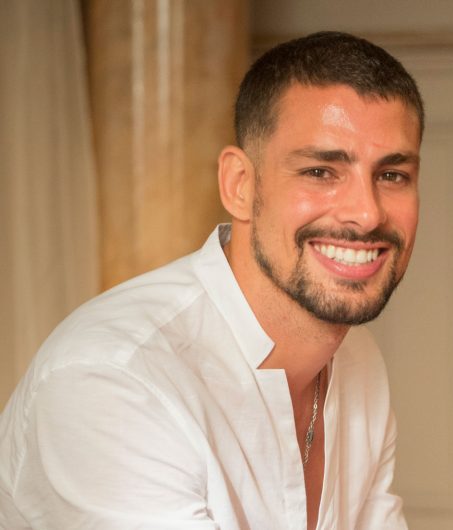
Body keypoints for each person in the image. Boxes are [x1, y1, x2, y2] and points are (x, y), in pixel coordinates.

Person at [0, 31, 423, 530]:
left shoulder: (358, 360)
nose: (367, 213)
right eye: (319, 171)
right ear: (239, 185)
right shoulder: (112, 380)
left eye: (392, 176)